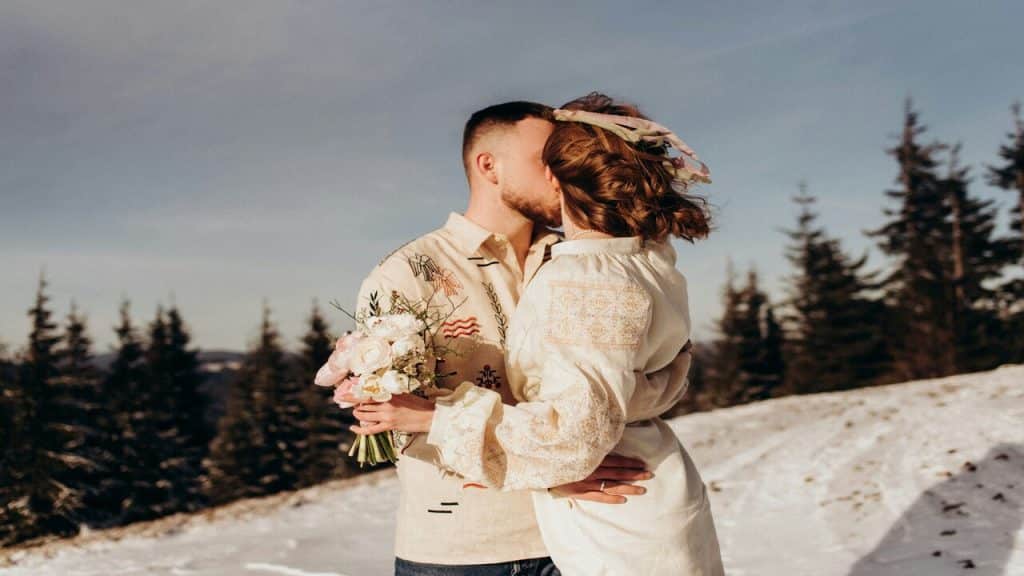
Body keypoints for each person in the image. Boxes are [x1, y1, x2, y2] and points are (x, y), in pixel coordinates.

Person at [358, 93, 725, 575]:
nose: (561, 172)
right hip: (466, 552)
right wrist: (552, 472)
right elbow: (392, 419)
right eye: (545, 159)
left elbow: (663, 372)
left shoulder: (589, 260)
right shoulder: (407, 274)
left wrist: (581, 442)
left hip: (585, 535)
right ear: (489, 166)